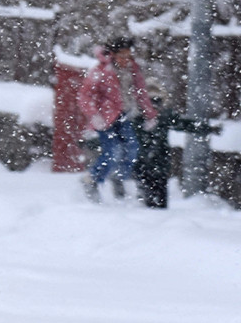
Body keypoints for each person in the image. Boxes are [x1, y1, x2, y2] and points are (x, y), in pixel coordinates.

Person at [78, 36, 157, 202]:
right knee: (112, 152)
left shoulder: (132, 69)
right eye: (122, 55)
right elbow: (85, 95)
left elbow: (141, 92)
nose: (125, 59)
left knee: (132, 148)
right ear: (113, 54)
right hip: (105, 118)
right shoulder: (101, 71)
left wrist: (149, 114)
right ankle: (91, 180)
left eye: (128, 55)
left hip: (123, 115)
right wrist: (94, 115)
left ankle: (118, 178)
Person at [133, 84, 223, 209]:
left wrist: (208, 128)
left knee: (158, 204)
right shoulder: (136, 120)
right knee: (147, 204)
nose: (153, 105)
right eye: (150, 101)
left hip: (158, 165)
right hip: (145, 165)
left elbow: (186, 124)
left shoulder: (164, 117)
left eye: (156, 100)